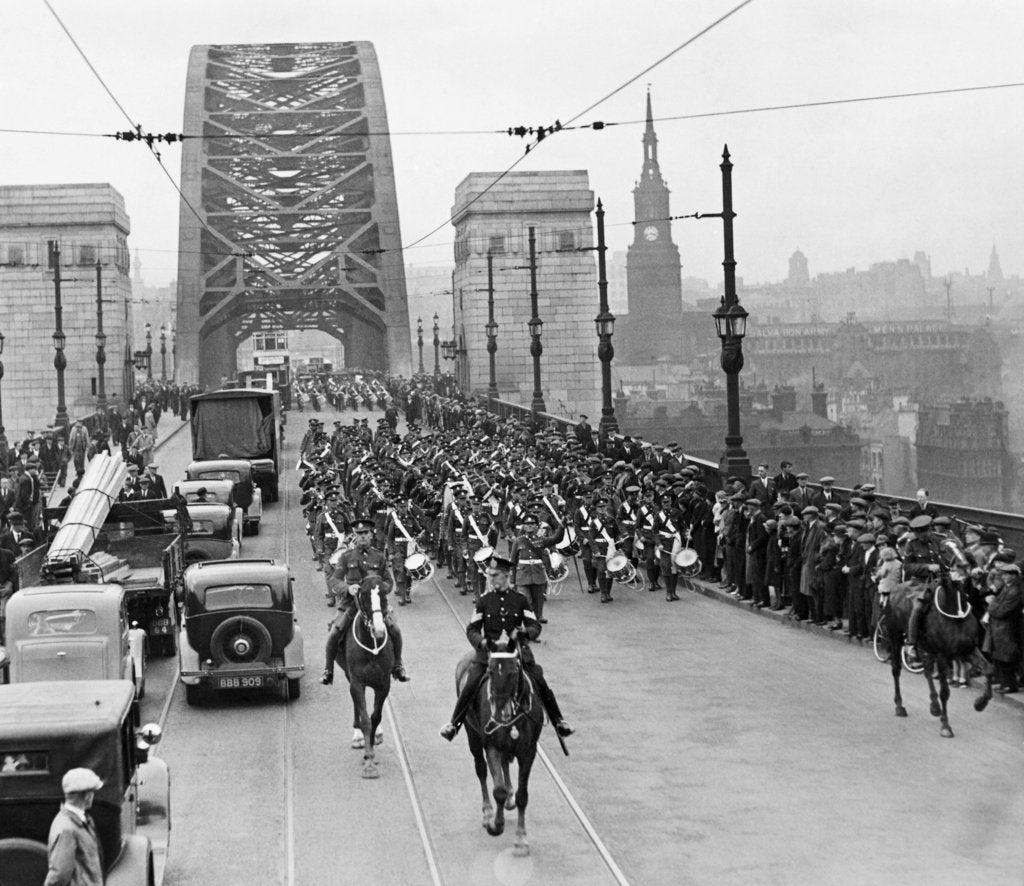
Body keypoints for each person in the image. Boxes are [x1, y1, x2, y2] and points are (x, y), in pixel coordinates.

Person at [439, 555, 574, 741]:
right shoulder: (484, 601)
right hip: (489, 652)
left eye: (495, 575)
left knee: (538, 677)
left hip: (515, 651)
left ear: (506, 576)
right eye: (489, 575)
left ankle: (558, 721)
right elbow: (472, 629)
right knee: (471, 682)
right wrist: (482, 642)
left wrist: (525, 635)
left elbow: (535, 625)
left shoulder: (520, 600)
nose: (490, 579)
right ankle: (454, 724)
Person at [321, 519, 408, 684]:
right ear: (355, 535)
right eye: (359, 533)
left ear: (371, 534)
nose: (362, 537)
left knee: (395, 630)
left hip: (375, 604)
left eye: (366, 533)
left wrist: (380, 589)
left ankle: (398, 665)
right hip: (351, 603)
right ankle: (328, 670)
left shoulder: (379, 556)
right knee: (334, 631)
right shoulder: (346, 557)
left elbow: (389, 582)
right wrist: (348, 588)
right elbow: (335, 580)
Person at [44, 767, 104, 886]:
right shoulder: (67, 828)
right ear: (87, 795)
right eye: (92, 792)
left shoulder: (82, 821)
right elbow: (59, 875)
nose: (93, 796)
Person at [904, 515, 944, 656]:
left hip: (940, 581)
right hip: (920, 583)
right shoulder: (912, 544)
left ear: (929, 530)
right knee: (918, 608)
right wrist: (927, 567)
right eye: (918, 533)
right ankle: (912, 644)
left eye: (923, 533)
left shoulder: (939, 541)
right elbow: (907, 567)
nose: (920, 536)